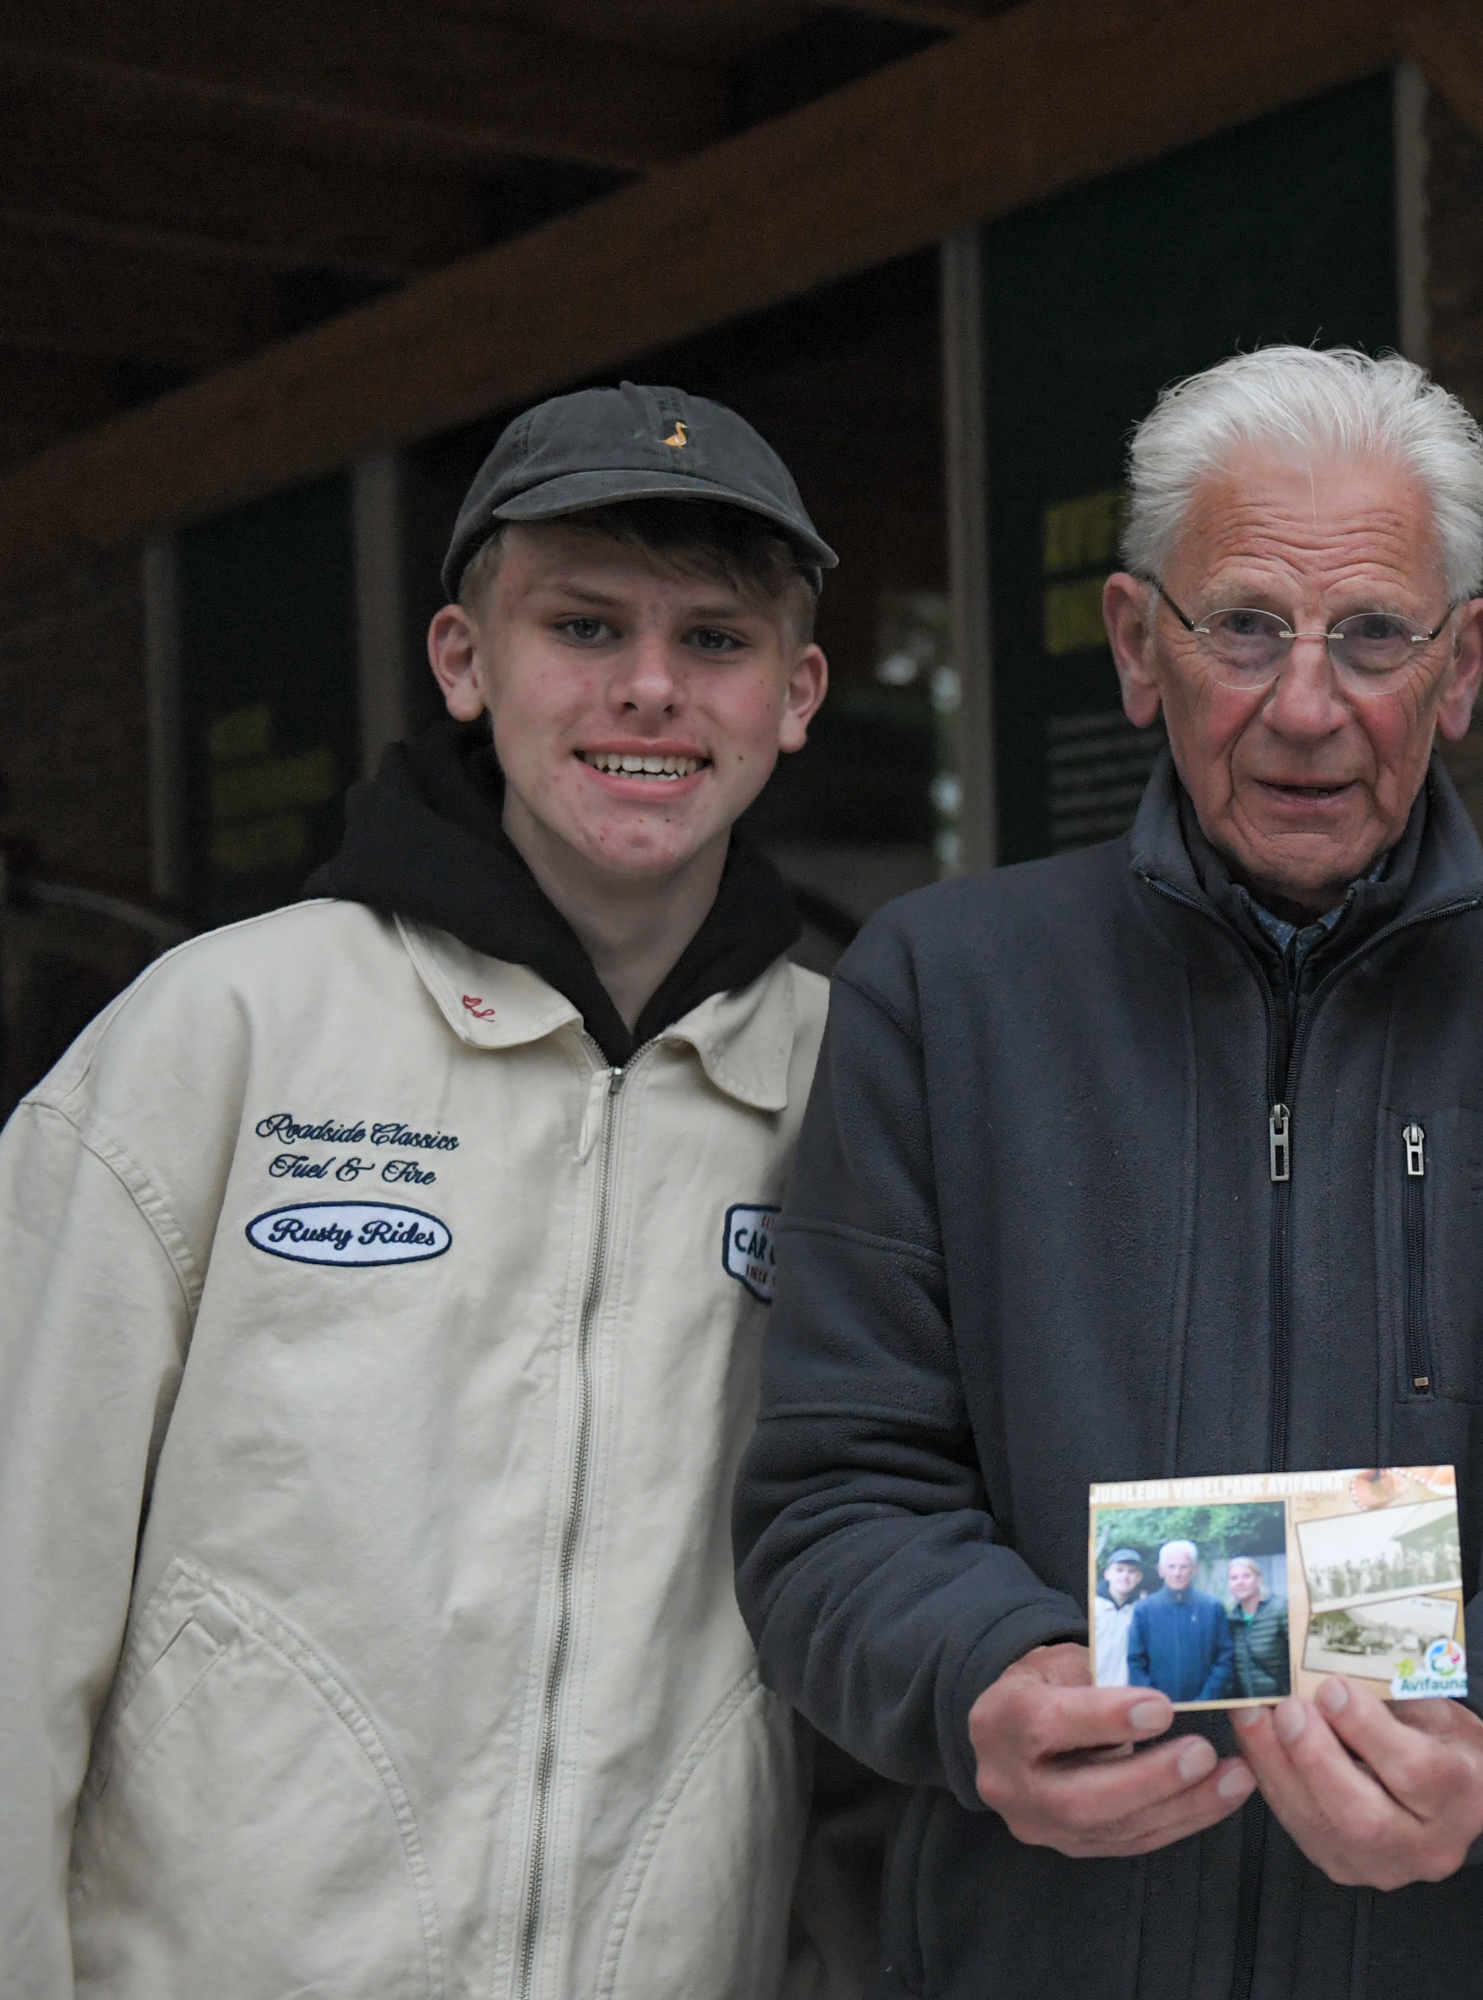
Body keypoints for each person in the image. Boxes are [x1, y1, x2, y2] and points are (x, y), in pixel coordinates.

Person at [733, 344, 1483, 1998]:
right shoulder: (941, 992)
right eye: (1247, 627)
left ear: (1463, 664)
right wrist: (982, 1675)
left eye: (1374, 636)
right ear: (1139, 646)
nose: (1306, 705)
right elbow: (833, 1499)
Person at [0, 383, 873, 1998]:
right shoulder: (225, 1032)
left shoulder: (857, 1091)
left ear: (797, 693)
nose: (651, 688)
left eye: (716, 640)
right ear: (465, 662)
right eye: (584, 626)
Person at [1127, 1540, 1235, 1704]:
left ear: (1194, 1569)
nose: (1177, 1573)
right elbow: (1135, 1661)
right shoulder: (1144, 1610)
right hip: (1157, 1708)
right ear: (1161, 1570)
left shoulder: (1212, 1607)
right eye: (1171, 1566)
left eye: (1183, 1567)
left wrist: (1205, 1699)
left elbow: (1224, 1658)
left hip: (1205, 1706)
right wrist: (1154, 1700)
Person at [1224, 1556, 1292, 1699]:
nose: (1240, 1582)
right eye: (1234, 1578)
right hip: (1246, 1704)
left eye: (1246, 1576)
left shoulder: (1280, 1609)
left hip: (1280, 1700)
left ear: (1258, 1580)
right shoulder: (1230, 1619)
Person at [1092, 1545, 1148, 1687]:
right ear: (1107, 1574)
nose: (1125, 1576)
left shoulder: (1140, 1613)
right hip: (1089, 1690)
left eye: (1131, 1571)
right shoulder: (1092, 1606)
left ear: (1139, 1577)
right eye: (1119, 1570)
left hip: (1122, 1692)